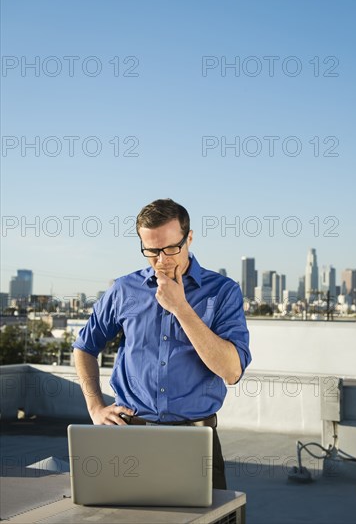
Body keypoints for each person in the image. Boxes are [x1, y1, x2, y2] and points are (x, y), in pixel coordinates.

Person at [73, 198, 251, 489]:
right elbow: (84, 348)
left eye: (171, 248)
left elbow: (231, 372)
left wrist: (181, 307)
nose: (162, 259)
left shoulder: (223, 292)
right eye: (151, 251)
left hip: (196, 444)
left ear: (189, 237)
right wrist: (95, 406)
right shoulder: (123, 289)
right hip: (129, 437)